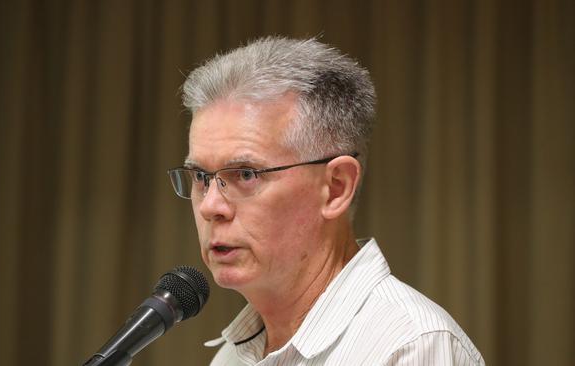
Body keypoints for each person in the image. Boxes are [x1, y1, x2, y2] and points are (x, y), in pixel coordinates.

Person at [167, 37, 485, 365]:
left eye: (246, 174)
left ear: (335, 188)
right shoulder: (231, 357)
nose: (210, 206)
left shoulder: (410, 347)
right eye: (201, 177)